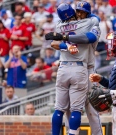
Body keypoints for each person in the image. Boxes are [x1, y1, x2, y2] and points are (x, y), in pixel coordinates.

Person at [45, 3, 102, 135]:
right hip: (79, 67)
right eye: (78, 11)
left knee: (91, 106)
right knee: (71, 108)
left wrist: (65, 39)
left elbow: (91, 34)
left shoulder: (89, 22)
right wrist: (66, 46)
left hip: (87, 69)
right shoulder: (87, 23)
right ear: (74, 12)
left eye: (82, 12)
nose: (80, 14)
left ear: (87, 13)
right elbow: (54, 43)